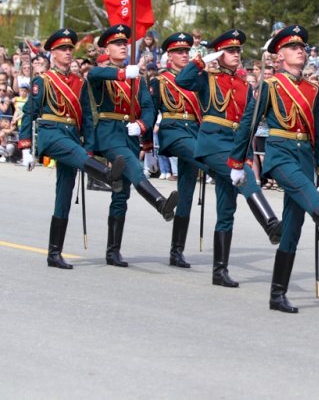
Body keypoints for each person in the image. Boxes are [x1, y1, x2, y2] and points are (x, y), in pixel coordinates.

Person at [228, 25, 319, 312]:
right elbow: (248, 124)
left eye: (302, 47)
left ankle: (277, 294)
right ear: (279, 57)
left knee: (293, 226)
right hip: (280, 154)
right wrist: (237, 162)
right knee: (306, 194)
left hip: (304, 157)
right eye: (292, 47)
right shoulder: (269, 85)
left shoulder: (313, 89)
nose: (300, 50)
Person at [175, 29, 282, 287]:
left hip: (234, 147)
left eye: (237, 51)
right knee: (247, 181)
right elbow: (182, 80)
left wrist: (244, 155)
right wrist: (203, 59)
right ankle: (270, 222)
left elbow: (247, 125)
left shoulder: (245, 85)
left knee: (226, 209)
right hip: (212, 145)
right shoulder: (206, 79)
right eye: (230, 51)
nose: (235, 55)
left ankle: (219, 271)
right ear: (220, 54)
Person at [18, 29, 126, 269]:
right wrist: (26, 147)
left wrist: (89, 147)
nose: (67, 53)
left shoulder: (80, 82)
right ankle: (108, 175)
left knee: (64, 195)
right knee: (72, 153)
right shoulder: (43, 80)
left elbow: (87, 117)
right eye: (62, 50)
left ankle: (54, 253)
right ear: (53, 54)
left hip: (71, 137)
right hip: (51, 133)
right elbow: (29, 113)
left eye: (69, 49)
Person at [87, 25, 179, 267]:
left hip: (128, 134)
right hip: (109, 134)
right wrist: (123, 73)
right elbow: (95, 75)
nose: (122, 47)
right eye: (117, 44)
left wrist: (142, 124)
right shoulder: (105, 73)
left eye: (124, 44)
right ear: (106, 48)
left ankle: (112, 251)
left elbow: (148, 107)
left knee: (121, 195)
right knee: (133, 168)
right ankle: (160, 203)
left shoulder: (136, 80)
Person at [146, 32, 209, 268]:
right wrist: (146, 145)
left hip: (195, 132)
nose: (184, 55)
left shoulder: (196, 79)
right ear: (169, 56)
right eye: (179, 52)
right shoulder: (160, 81)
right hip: (173, 132)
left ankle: (176, 251)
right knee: (199, 157)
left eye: (187, 51)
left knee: (186, 194)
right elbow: (151, 112)